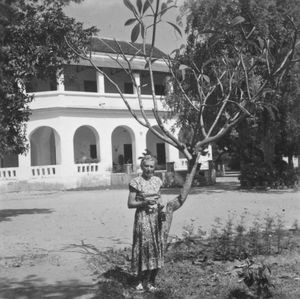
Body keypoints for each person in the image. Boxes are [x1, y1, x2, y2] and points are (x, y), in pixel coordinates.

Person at [127, 154, 165, 292]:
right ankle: (138, 280)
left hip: (155, 219)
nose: (149, 169)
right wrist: (143, 203)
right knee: (143, 247)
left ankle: (150, 281)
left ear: (154, 168)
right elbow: (130, 203)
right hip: (142, 218)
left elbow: (159, 198)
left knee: (155, 247)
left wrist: (162, 209)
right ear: (141, 167)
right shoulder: (136, 182)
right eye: (146, 166)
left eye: (151, 166)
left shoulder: (157, 181)